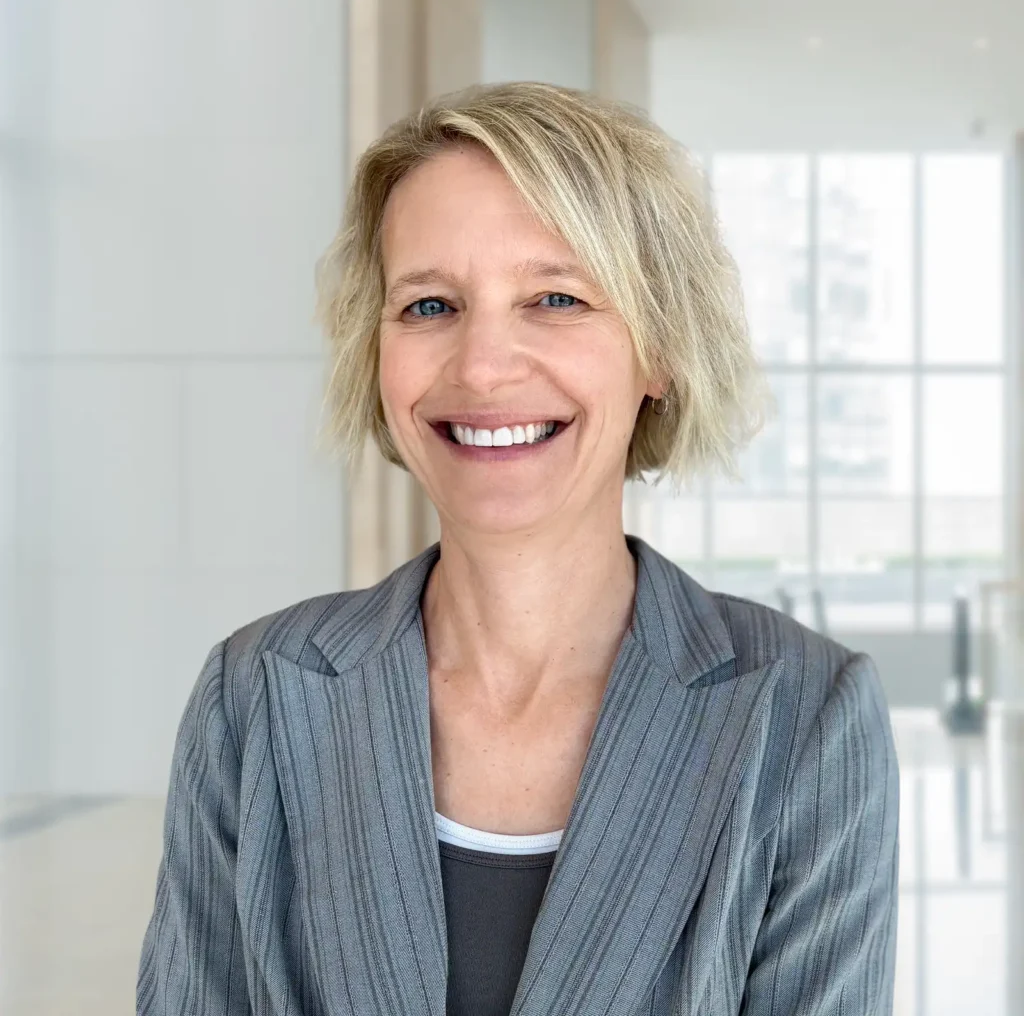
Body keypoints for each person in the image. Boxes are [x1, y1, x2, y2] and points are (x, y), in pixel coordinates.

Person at [138, 81, 900, 1016]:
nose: (483, 366)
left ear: (658, 350)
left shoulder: (806, 716)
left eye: (555, 298)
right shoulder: (253, 695)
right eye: (429, 306)